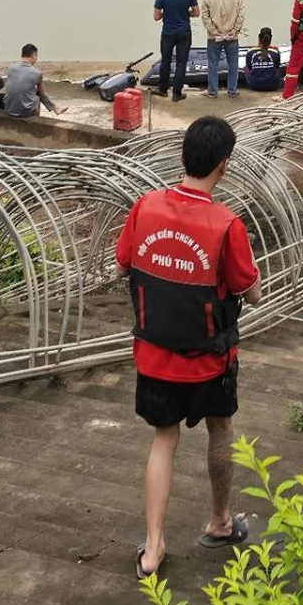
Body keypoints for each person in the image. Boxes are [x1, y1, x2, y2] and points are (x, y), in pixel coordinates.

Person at [115, 116, 262, 580]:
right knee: (221, 428)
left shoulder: (144, 207)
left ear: (182, 158)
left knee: (164, 439)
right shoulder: (226, 223)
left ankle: (153, 548)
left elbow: (123, 265)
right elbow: (249, 288)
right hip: (210, 360)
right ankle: (220, 521)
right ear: (224, 165)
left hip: (154, 355)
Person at [152, 0, 200, 104]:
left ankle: (162, 89)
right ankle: (177, 93)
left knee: (165, 61)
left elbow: (156, 17)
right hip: (184, 32)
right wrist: (186, 13)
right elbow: (197, 13)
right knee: (181, 62)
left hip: (168, 33)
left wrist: (165, 14)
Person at [201, 0, 246, 101]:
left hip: (214, 36)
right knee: (233, 64)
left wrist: (214, 31)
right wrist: (235, 30)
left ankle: (212, 91)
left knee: (213, 64)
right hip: (232, 36)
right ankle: (232, 90)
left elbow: (205, 16)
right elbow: (241, 16)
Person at [3, 43, 60, 118]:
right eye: (36, 56)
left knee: (30, 90)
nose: (36, 59)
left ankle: (55, 108)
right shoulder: (36, 72)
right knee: (37, 95)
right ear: (33, 55)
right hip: (25, 112)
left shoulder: (11, 67)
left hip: (8, 109)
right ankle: (42, 116)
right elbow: (41, 91)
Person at [245, 28, 284, 93]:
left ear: (259, 37)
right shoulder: (275, 51)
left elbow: (249, 67)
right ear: (271, 38)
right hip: (273, 86)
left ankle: (257, 80)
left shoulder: (250, 51)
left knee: (245, 68)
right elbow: (277, 67)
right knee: (278, 69)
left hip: (255, 85)